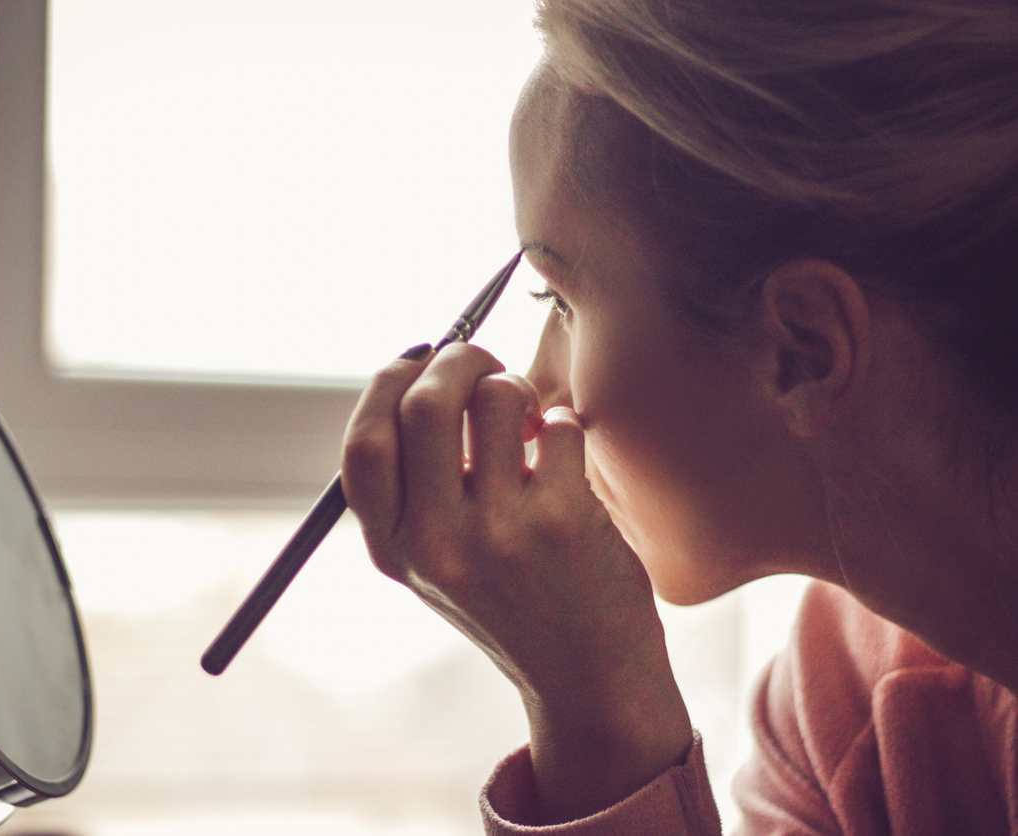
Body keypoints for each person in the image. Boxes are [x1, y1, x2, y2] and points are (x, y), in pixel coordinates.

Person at [341, 0, 1018, 832]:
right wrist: (597, 714)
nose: (536, 389)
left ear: (801, 348)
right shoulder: (842, 708)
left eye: (561, 300)